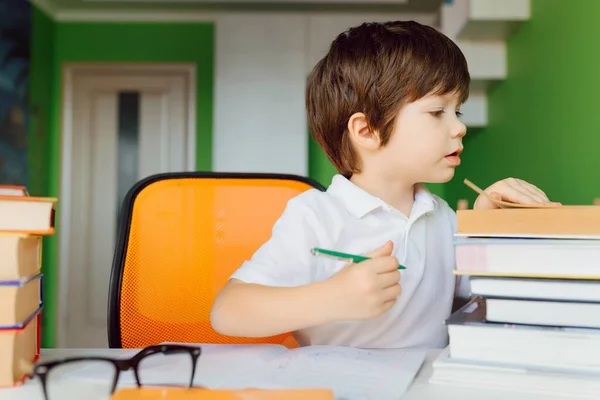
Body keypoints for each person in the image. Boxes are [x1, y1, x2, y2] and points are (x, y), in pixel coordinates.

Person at [210, 20, 557, 349]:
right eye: (438, 112)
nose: (459, 128)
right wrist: (331, 297)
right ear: (367, 131)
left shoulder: (442, 218)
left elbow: (482, 302)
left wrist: (486, 230)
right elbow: (227, 311)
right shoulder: (315, 216)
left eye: (458, 112)